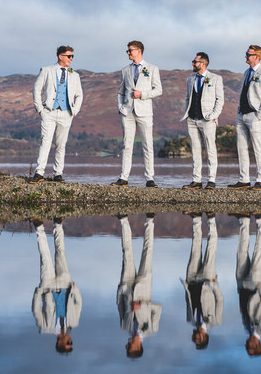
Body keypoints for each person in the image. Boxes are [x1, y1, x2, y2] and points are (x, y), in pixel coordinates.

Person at [28, 46, 83, 184]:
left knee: (61, 145)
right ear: (60, 56)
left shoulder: (74, 75)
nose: (71, 59)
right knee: (45, 142)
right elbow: (36, 89)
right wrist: (40, 109)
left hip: (66, 114)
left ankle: (58, 174)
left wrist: (74, 111)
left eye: (72, 56)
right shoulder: (46, 70)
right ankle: (39, 172)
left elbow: (79, 95)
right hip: (49, 112)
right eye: (69, 56)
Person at [111, 41, 163, 188]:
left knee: (148, 145)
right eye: (127, 51)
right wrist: (121, 108)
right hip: (127, 112)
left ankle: (149, 178)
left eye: (130, 50)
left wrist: (142, 94)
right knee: (126, 145)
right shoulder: (125, 70)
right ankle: (123, 178)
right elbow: (120, 92)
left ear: (139, 51)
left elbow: (158, 90)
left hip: (145, 112)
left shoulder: (152, 68)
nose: (128, 53)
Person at [31, 217, 83, 354]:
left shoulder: (45, 327)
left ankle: (39, 227)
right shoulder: (74, 322)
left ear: (59, 343)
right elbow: (79, 304)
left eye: (68, 343)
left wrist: (38, 292)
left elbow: (36, 310)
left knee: (45, 256)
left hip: (47, 287)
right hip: (66, 284)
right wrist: (75, 289)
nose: (70, 340)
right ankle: (58, 224)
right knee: (60, 252)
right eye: (71, 342)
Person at [116, 213, 162, 358]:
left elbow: (120, 305)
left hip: (127, 286)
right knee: (147, 251)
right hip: (144, 287)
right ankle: (149, 219)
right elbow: (158, 309)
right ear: (137, 347)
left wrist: (121, 288)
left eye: (127, 347)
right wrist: (142, 305)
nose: (127, 345)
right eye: (129, 347)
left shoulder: (124, 326)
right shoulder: (152, 329)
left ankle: (123, 220)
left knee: (126, 253)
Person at [228, 45, 261, 190]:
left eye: (248, 54)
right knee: (241, 148)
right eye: (246, 54)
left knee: (258, 148)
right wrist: (239, 112)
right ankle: (244, 180)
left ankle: (260, 180)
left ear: (257, 57)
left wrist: (259, 115)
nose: (246, 56)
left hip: (255, 116)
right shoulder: (246, 72)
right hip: (241, 115)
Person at [180, 53, 224, 190]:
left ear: (203, 63)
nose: (193, 64)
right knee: (195, 150)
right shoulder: (190, 79)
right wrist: (187, 114)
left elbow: (220, 100)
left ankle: (211, 180)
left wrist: (213, 116)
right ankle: (196, 180)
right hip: (192, 119)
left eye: (195, 62)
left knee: (211, 149)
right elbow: (188, 98)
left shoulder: (216, 78)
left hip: (207, 120)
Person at [181, 212, 223, 350]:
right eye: (197, 340)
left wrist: (186, 286)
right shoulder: (216, 320)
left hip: (192, 279)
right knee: (211, 248)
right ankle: (211, 219)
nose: (194, 338)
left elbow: (188, 301)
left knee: (195, 247)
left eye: (194, 340)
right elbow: (220, 300)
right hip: (207, 280)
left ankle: (196, 218)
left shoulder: (190, 319)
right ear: (204, 337)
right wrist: (214, 284)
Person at [234, 213, 261, 356]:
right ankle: (260, 220)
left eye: (247, 347)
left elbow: (243, 308)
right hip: (256, 286)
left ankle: (244, 220)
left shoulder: (247, 328)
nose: (246, 344)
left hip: (242, 285)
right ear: (257, 345)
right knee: (258, 252)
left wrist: (239, 289)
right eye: (249, 347)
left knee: (241, 252)